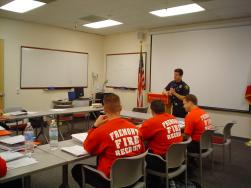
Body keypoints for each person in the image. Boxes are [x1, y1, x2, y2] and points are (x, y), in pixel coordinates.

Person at [71, 93, 145, 188]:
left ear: (104, 109)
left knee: (76, 169)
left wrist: (94, 126)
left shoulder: (101, 131)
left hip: (111, 181)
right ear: (121, 108)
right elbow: (141, 151)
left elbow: (87, 147)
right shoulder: (135, 129)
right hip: (134, 177)